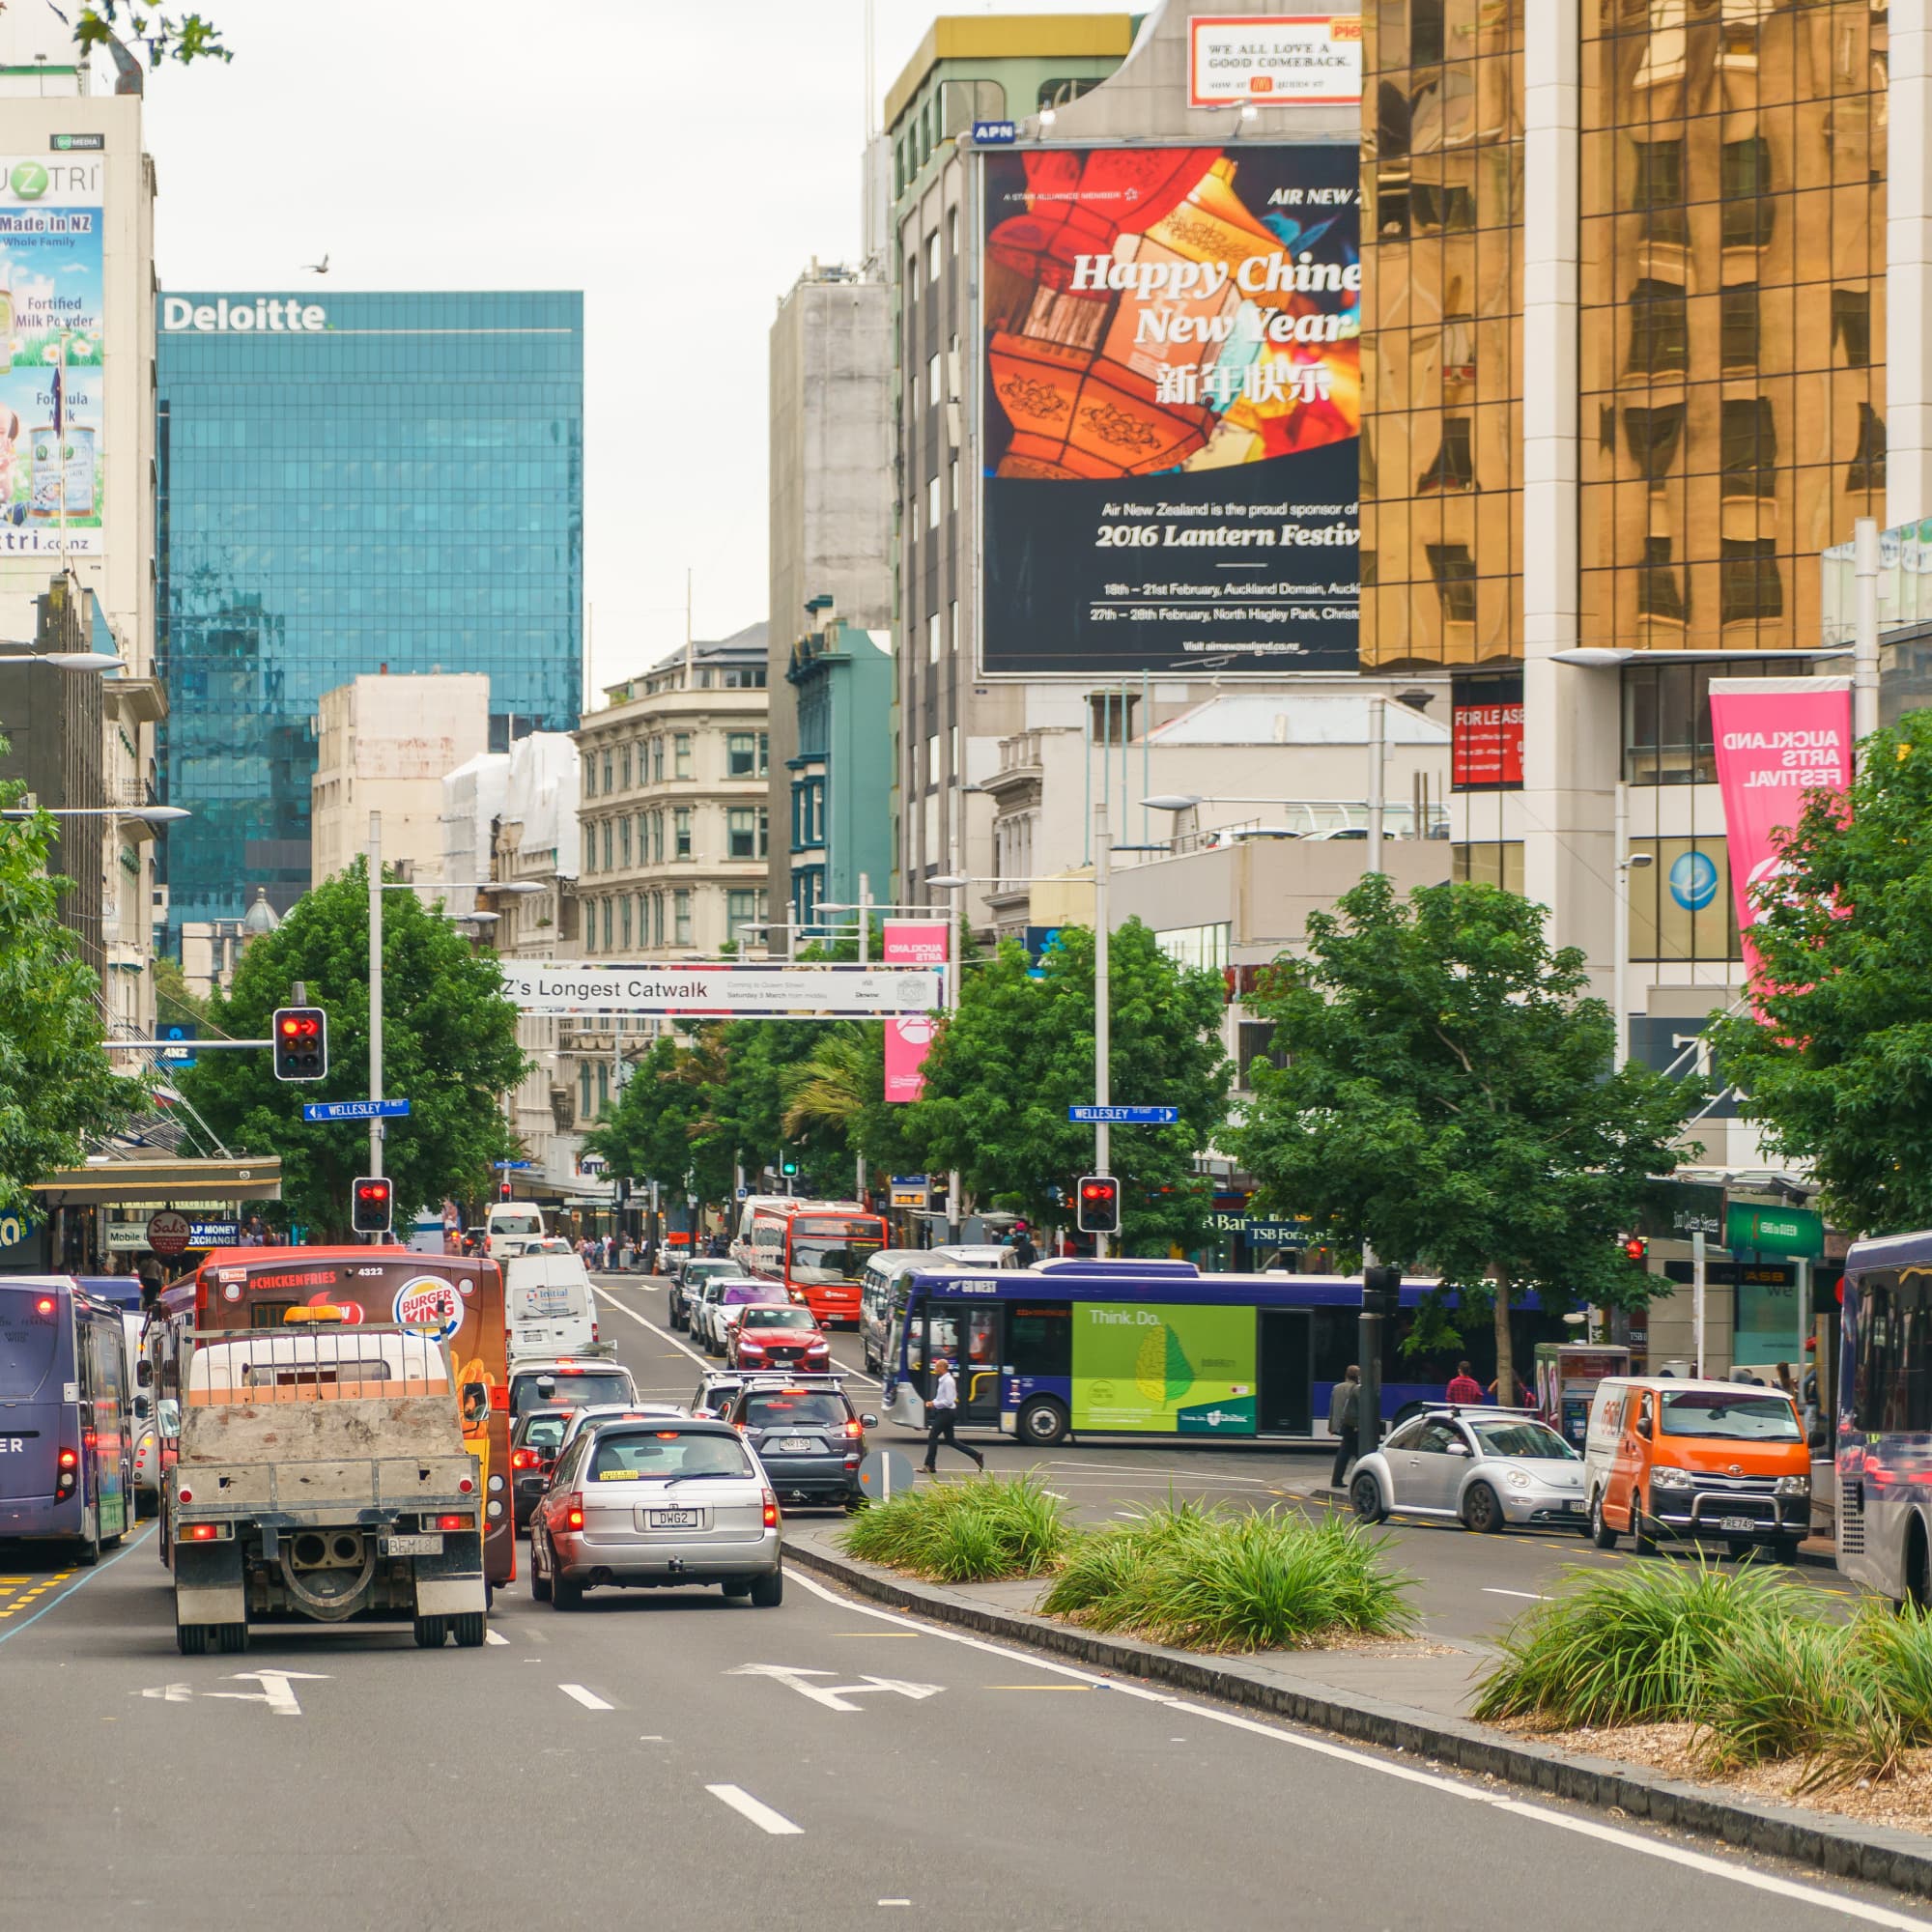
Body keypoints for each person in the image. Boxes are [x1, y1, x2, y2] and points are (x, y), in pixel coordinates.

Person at [921, 1356, 984, 1475]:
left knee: (933, 1436)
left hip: (947, 1413)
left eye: (936, 1366)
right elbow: (941, 1398)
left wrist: (934, 1404)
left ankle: (930, 1466)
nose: (935, 1368)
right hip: (945, 1412)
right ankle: (976, 1455)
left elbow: (949, 1401)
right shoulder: (943, 1380)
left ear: (942, 1368)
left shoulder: (948, 1381)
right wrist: (933, 1402)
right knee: (950, 1440)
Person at [1328, 1365, 1361, 1488]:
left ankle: (1336, 1480)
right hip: (1354, 1425)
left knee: (1346, 1451)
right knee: (1359, 1453)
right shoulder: (1357, 1389)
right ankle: (1364, 1477)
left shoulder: (1336, 1388)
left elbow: (1332, 1408)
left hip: (1343, 1424)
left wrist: (1331, 1426)